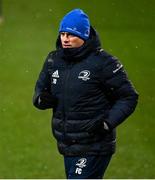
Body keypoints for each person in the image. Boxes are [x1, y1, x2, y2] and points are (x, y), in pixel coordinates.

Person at [33, 9, 138, 179]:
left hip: (95, 144)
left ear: (84, 35)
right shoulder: (54, 60)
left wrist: (106, 123)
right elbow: (40, 91)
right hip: (68, 144)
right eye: (63, 34)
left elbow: (128, 97)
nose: (65, 39)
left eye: (71, 34)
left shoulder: (104, 63)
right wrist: (41, 100)